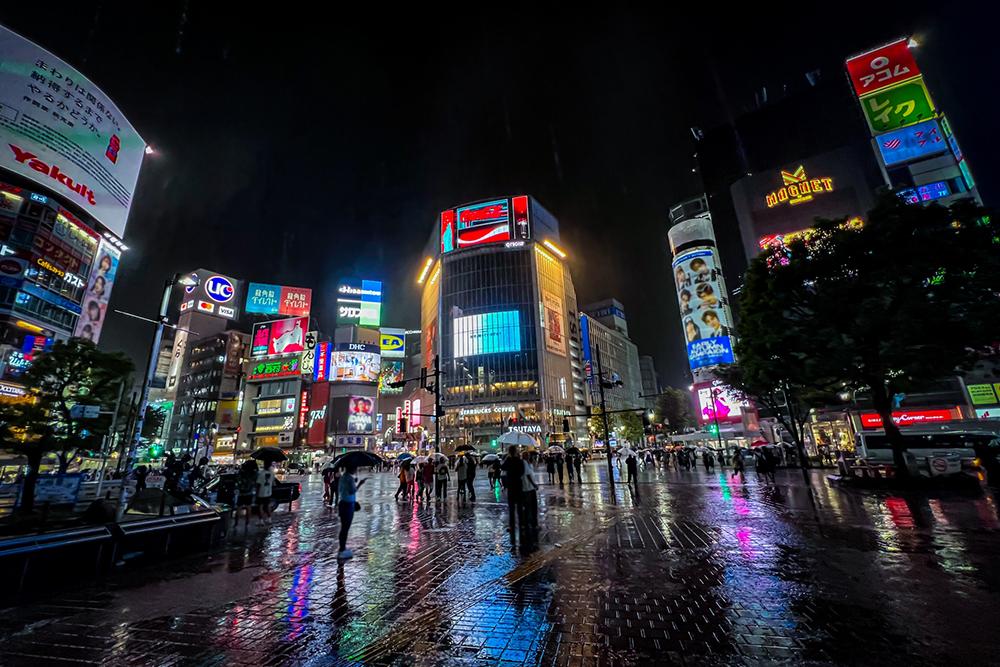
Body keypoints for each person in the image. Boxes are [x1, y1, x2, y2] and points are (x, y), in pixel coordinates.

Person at [337, 463, 366, 560]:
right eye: (355, 467)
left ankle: (342, 548)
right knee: (345, 528)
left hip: (342, 503)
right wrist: (360, 484)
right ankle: (342, 550)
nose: (356, 469)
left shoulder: (343, 477)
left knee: (343, 527)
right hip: (348, 505)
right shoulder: (349, 478)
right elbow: (352, 491)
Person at [501, 446, 525, 539]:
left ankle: (512, 526)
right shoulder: (519, 460)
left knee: (511, 508)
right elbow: (522, 471)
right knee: (519, 507)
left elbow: (502, 467)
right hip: (518, 485)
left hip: (511, 485)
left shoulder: (509, 460)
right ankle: (521, 524)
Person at [521, 452, 539, 529]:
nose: (528, 456)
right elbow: (527, 474)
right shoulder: (523, 463)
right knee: (529, 506)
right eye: (527, 455)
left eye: (528, 455)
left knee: (531, 506)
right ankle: (529, 523)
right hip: (528, 487)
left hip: (530, 487)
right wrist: (534, 484)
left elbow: (531, 471)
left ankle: (531, 522)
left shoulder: (528, 463)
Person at [256, 460, 276, 526]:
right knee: (267, 506)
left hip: (261, 492)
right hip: (268, 492)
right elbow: (273, 483)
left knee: (260, 507)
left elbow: (258, 484)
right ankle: (269, 519)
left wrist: (257, 492)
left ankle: (261, 521)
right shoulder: (272, 474)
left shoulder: (261, 473)